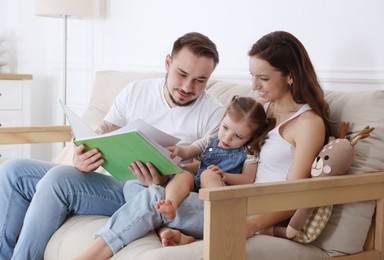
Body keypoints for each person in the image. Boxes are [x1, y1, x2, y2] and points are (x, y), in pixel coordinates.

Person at [73, 30, 331, 259]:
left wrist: (254, 225)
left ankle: (92, 255)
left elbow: (296, 193)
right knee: (136, 187)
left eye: (263, 78)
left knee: (152, 196)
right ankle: (171, 230)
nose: (254, 86)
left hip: (251, 211)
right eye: (252, 76)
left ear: (290, 76)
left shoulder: (308, 124)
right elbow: (223, 151)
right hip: (228, 198)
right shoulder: (262, 111)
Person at [0, 32, 226, 259]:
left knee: (58, 179)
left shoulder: (215, 114)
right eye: (182, 74)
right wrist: (82, 155)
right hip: (112, 179)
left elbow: (207, 173)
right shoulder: (136, 91)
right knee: (12, 171)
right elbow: (103, 133)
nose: (188, 87)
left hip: (150, 193)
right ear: (168, 63)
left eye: (200, 80)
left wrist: (162, 179)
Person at [155, 96, 275, 224]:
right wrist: (178, 151)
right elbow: (189, 151)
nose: (227, 138)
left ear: (252, 137)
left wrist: (225, 176)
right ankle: (171, 203)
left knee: (208, 174)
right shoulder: (210, 140)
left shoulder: (249, 151)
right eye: (225, 127)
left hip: (223, 189)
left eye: (238, 136)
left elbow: (248, 179)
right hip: (196, 185)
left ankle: (221, 210)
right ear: (223, 119)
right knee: (183, 174)